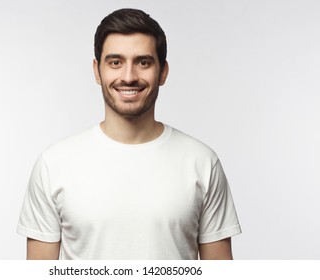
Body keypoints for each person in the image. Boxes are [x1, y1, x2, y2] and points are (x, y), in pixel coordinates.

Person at [17, 8, 241, 260]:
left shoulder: (202, 162)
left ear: (163, 72)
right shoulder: (53, 164)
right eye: (115, 62)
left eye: (143, 62)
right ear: (96, 71)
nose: (128, 77)